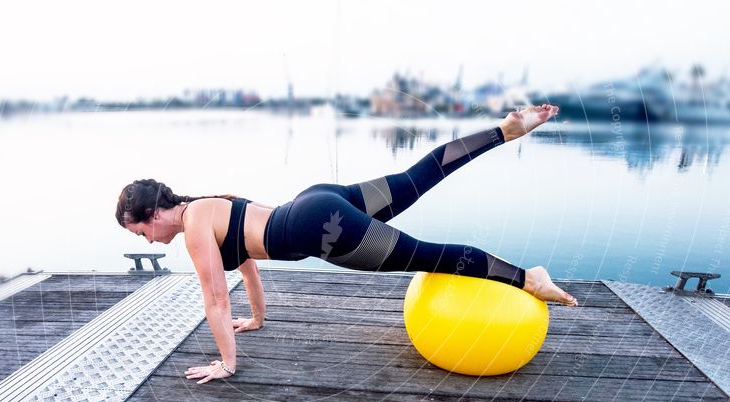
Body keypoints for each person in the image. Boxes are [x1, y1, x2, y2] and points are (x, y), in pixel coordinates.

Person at [116, 104, 578, 384]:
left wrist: (227, 364)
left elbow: (214, 298)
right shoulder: (210, 205)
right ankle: (504, 131)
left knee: (429, 255)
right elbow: (247, 267)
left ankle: (528, 279)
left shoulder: (194, 224)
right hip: (317, 200)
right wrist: (256, 319)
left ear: (154, 214)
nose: (148, 239)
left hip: (324, 229)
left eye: (141, 231)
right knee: (418, 176)